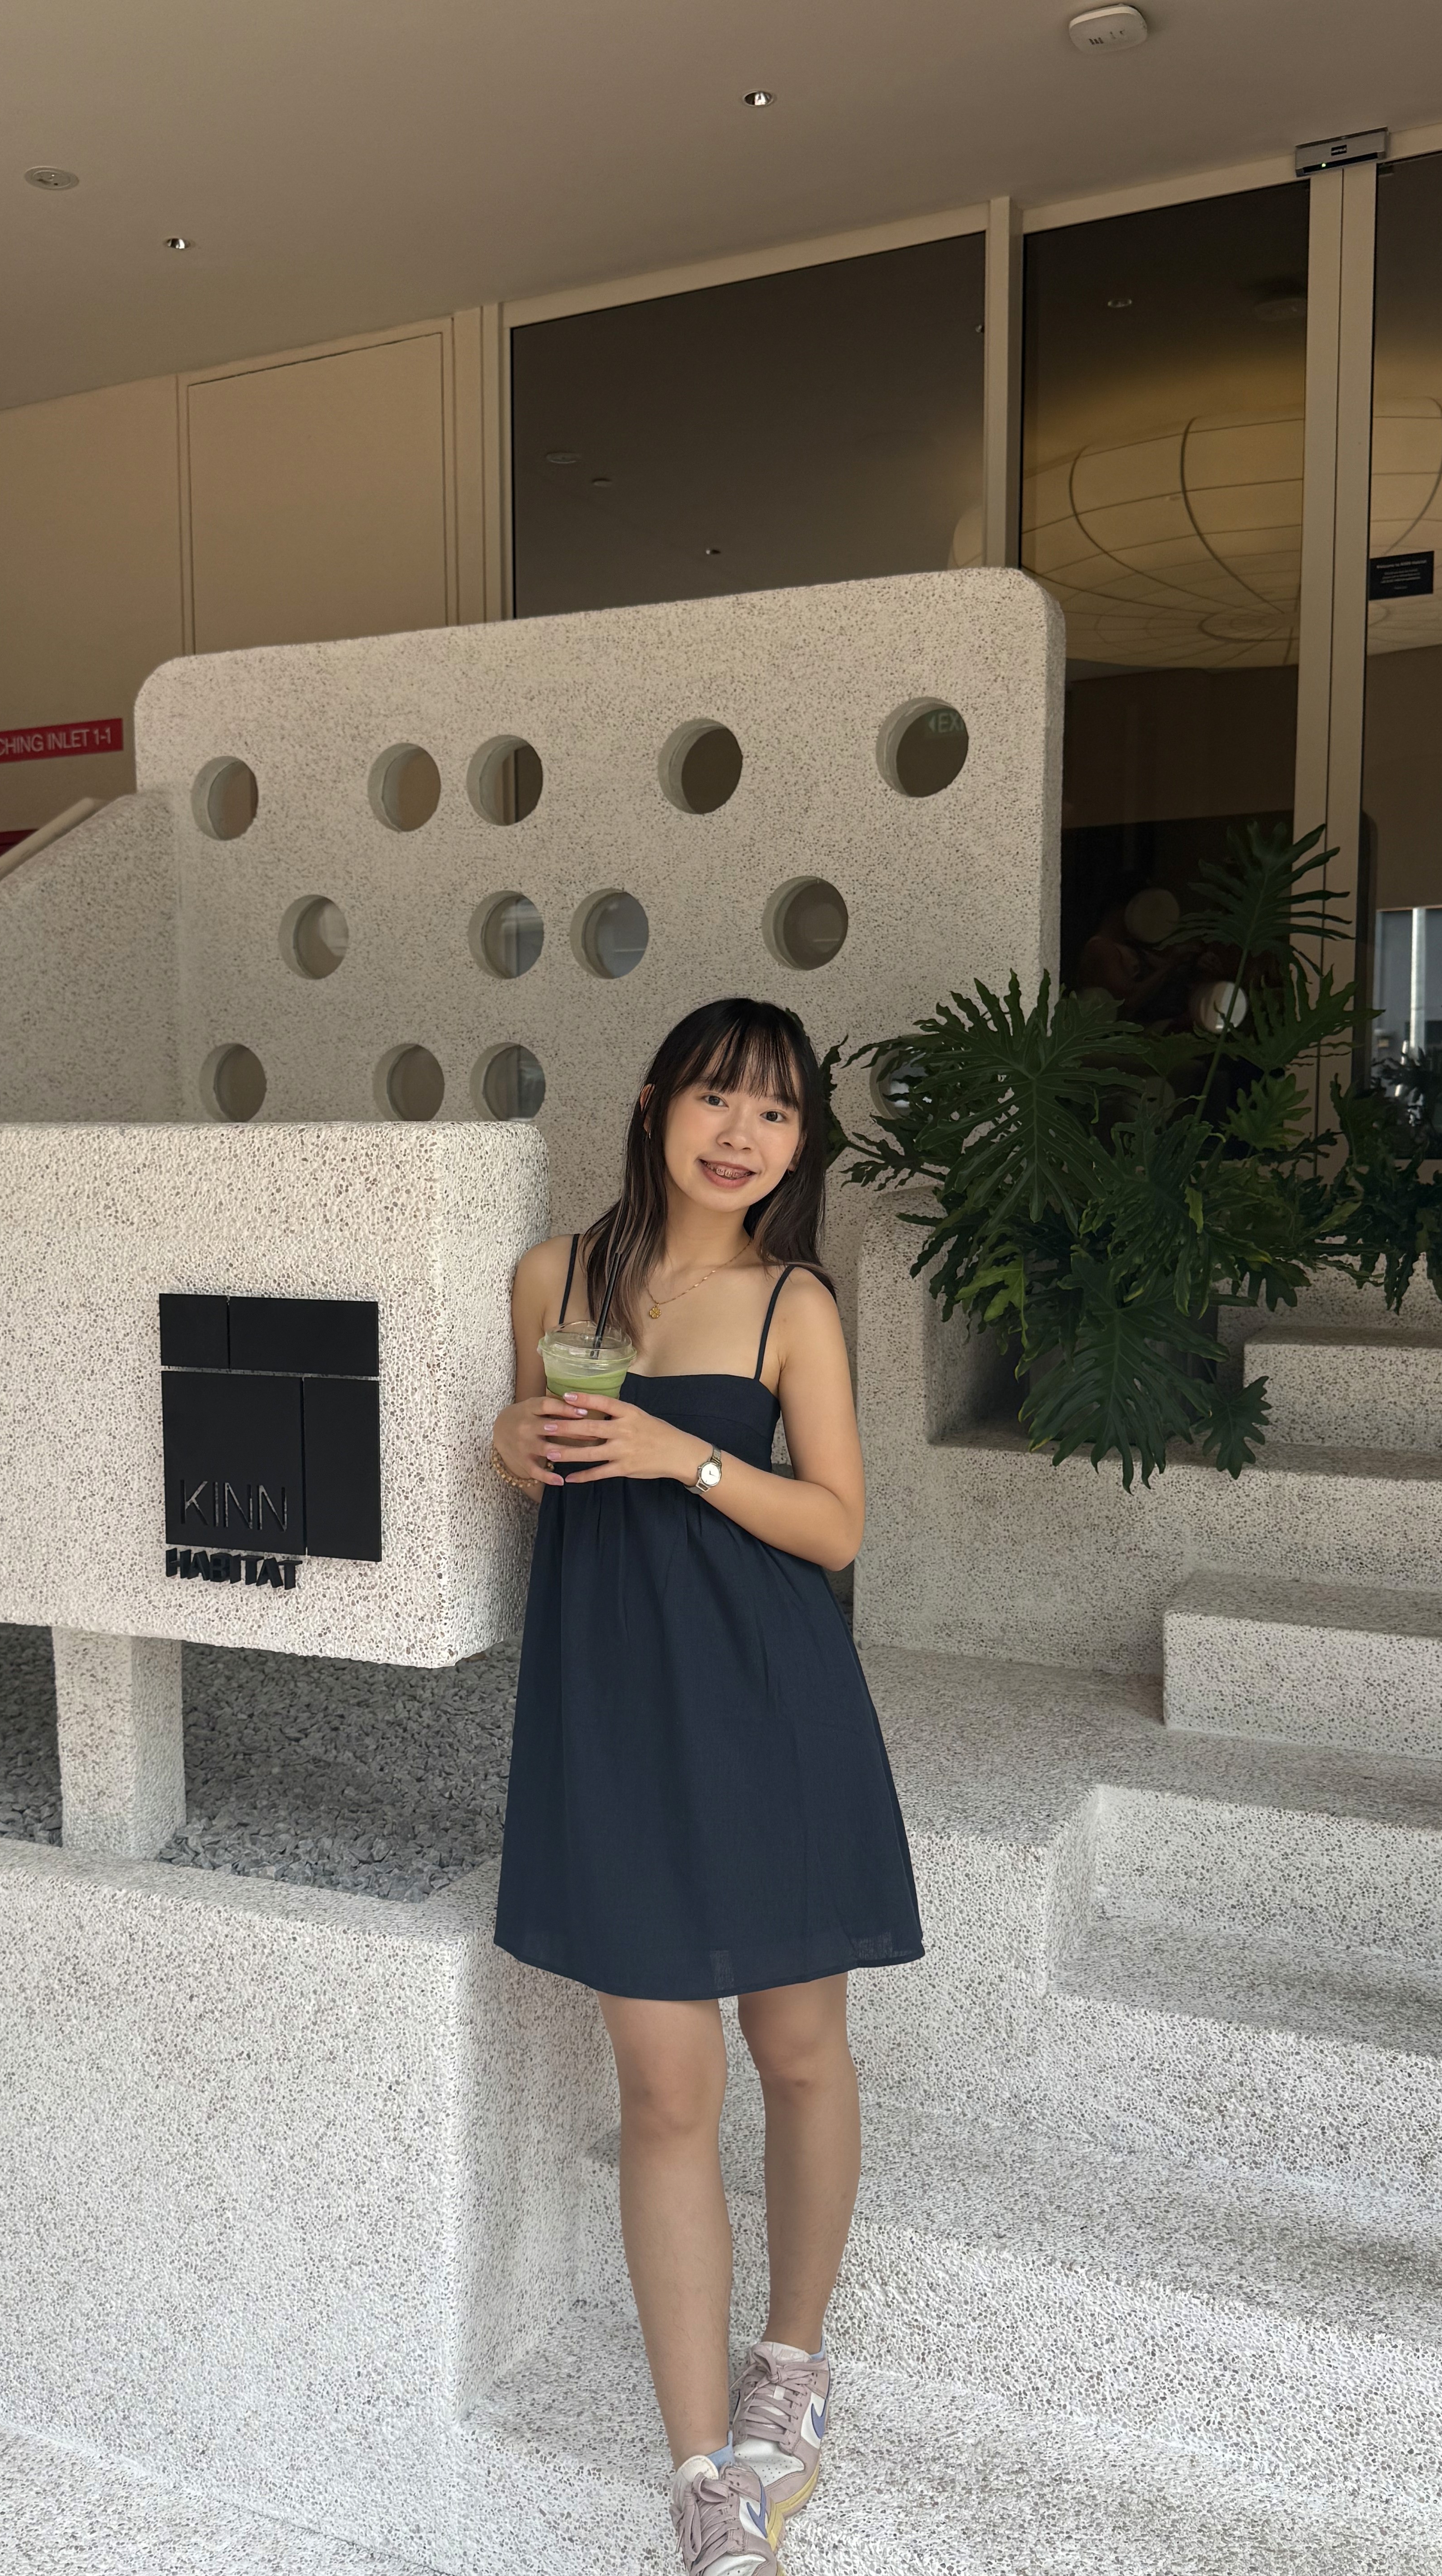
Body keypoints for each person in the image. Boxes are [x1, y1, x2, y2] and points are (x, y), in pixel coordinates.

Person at [490, 996, 924, 2576]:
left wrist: (688, 1459)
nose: (742, 1138)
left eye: (780, 1115)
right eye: (719, 1102)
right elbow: (540, 1461)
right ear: (661, 1103)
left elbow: (837, 1528)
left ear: (799, 1143)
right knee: (664, 2089)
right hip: (611, 1715)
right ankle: (701, 2483)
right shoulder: (558, 1276)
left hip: (768, 1703)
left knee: (798, 2046)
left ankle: (788, 2371)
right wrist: (507, 1440)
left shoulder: (788, 1302)